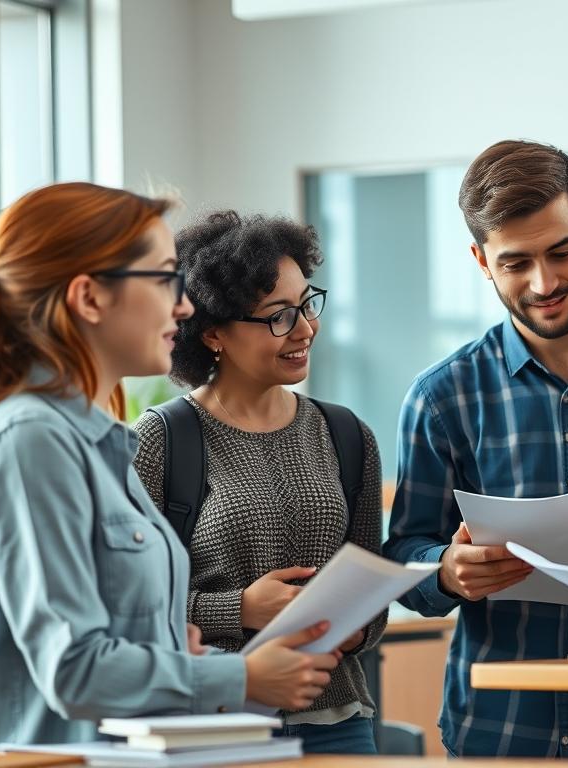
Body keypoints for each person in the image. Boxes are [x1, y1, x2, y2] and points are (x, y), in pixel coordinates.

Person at [0, 182, 339, 749]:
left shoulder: (95, 441)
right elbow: (74, 668)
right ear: (89, 298)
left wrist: (168, 650)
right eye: (163, 281)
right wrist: (241, 675)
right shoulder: (29, 441)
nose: (182, 306)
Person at [383, 140, 568, 758]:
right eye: (515, 263)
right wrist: (445, 570)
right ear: (480, 260)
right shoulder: (442, 397)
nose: (544, 282)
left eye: (561, 252)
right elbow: (402, 554)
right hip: (504, 730)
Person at [132, 211, 387, 755]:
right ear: (214, 333)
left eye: (306, 305)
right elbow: (130, 609)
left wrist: (357, 628)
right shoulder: (161, 441)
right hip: (215, 725)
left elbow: (373, 590)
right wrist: (240, 608)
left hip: (338, 722)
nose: (305, 329)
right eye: (278, 316)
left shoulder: (346, 434)